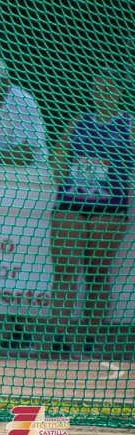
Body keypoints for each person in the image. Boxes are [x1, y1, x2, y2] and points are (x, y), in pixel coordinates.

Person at [48, 68, 133, 356]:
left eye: (107, 89)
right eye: (97, 89)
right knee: (64, 268)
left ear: (119, 92)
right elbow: (58, 157)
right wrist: (62, 167)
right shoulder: (79, 122)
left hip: (109, 205)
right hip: (72, 201)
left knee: (96, 271)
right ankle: (59, 338)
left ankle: (89, 338)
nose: (101, 94)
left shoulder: (128, 124)